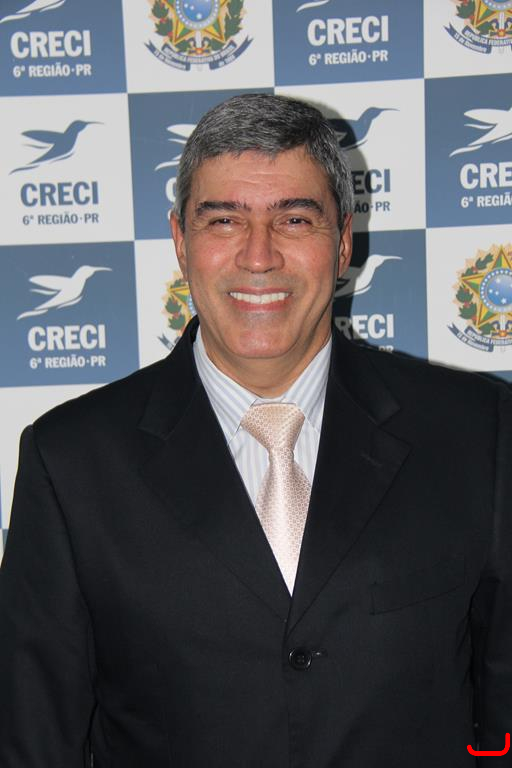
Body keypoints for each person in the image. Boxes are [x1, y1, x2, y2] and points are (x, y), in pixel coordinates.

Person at [0, 93, 511, 768]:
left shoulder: (477, 432)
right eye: (224, 220)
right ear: (180, 240)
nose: (259, 256)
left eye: (294, 219)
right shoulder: (69, 461)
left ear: (343, 241)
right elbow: (35, 739)